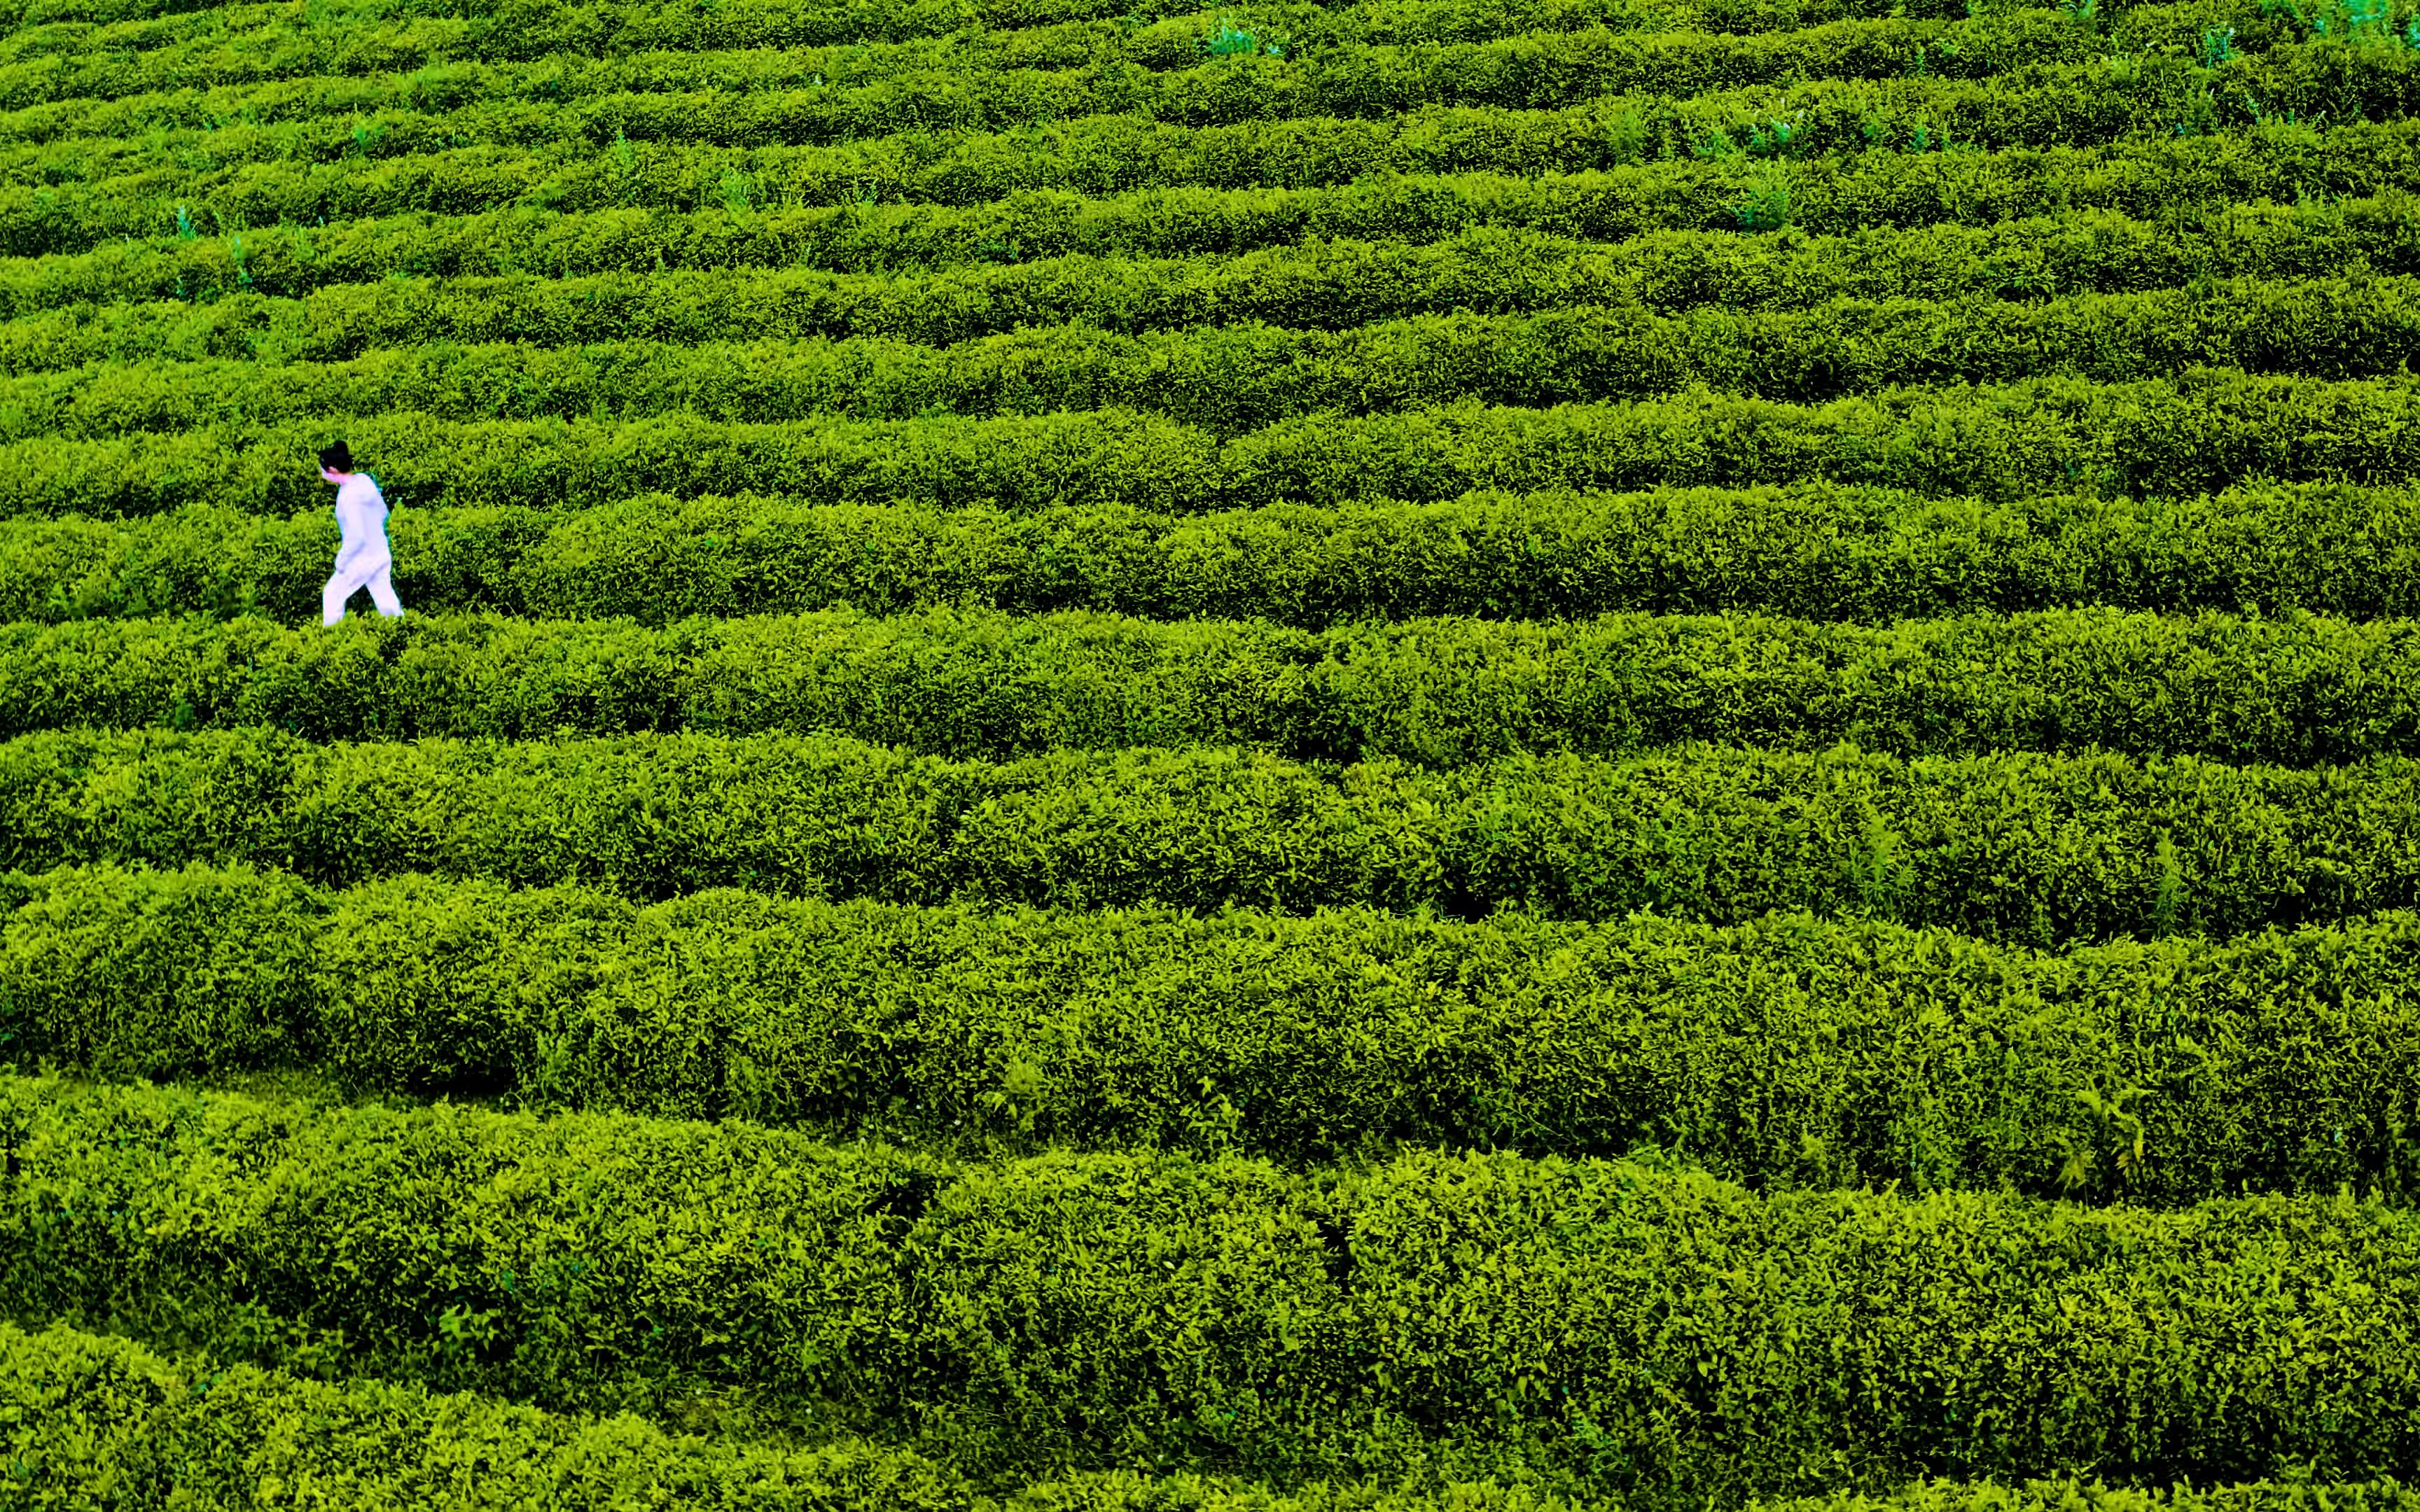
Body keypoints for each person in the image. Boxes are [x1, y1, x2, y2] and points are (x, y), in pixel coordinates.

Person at [317, 440, 405, 626]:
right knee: (386, 602)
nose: (322, 474)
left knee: (332, 594)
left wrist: (341, 561)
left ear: (332, 470)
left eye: (323, 470)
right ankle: (402, 631)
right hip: (381, 551)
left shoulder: (348, 497)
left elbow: (356, 537)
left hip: (362, 558)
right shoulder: (364, 480)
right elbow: (383, 513)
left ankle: (332, 639)